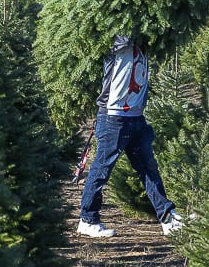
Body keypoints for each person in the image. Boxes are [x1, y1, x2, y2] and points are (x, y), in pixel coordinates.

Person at [77, 34, 185, 238]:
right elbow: (121, 36)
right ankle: (87, 219)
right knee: (102, 169)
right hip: (114, 117)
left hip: (136, 117)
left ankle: (168, 218)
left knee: (148, 168)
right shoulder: (117, 41)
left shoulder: (145, 41)